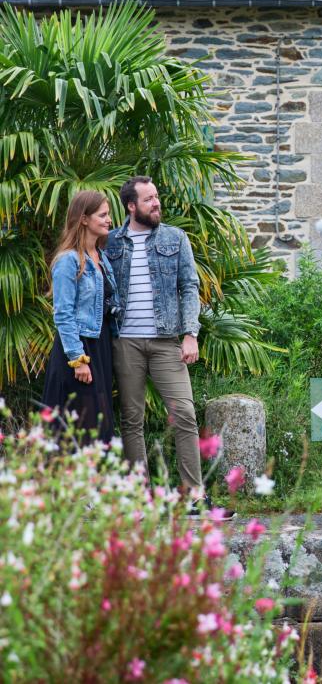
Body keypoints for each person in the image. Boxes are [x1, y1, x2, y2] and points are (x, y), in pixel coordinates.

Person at [106, 175, 222, 515]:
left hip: (166, 340)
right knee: (131, 419)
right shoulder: (111, 243)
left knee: (184, 413)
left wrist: (191, 334)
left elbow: (189, 287)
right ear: (131, 206)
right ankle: (138, 499)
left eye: (156, 197)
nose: (156, 203)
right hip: (124, 342)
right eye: (149, 199)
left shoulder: (176, 237)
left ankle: (194, 497)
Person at [42, 190, 119, 443]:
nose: (109, 220)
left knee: (99, 423)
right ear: (84, 219)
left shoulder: (102, 258)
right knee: (80, 425)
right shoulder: (68, 261)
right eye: (103, 215)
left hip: (101, 347)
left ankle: (97, 481)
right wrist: (78, 359)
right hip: (79, 349)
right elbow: (63, 314)